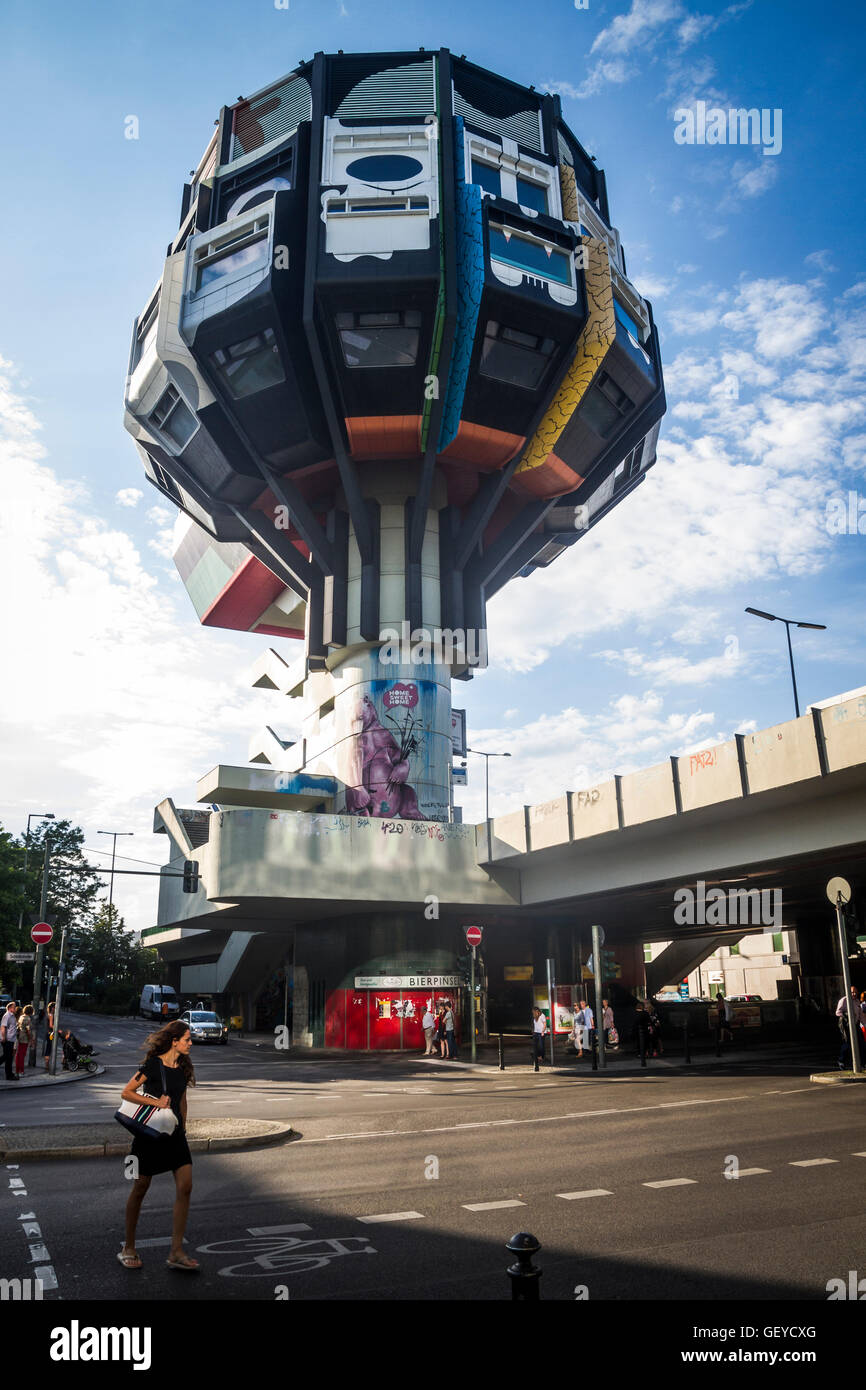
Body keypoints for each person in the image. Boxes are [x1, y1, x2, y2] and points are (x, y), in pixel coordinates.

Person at [118, 1020, 199, 1272]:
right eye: (187, 1039)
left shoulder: (183, 1067)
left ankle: (176, 1251)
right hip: (151, 1135)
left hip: (175, 1134)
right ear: (174, 1041)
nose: (190, 1043)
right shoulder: (153, 1065)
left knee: (186, 1186)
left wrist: (184, 1128)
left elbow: (183, 1100)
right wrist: (154, 1103)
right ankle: (128, 1247)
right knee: (141, 1187)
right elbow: (127, 1092)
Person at [836, 987, 866, 1070]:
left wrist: (864, 1024)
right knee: (848, 1042)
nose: (854, 994)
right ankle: (841, 1060)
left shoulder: (857, 1002)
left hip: (855, 1024)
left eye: (856, 992)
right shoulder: (844, 1000)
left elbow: (861, 1016)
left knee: (861, 1042)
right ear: (849, 992)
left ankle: (863, 1063)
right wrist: (846, 1016)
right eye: (852, 992)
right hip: (845, 1024)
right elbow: (838, 1012)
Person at [1, 1000, 18, 1081]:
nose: (15, 1008)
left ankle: (10, 1074)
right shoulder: (7, 1016)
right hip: (7, 1040)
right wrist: (4, 1037)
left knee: (8, 1057)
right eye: (14, 1007)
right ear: (11, 1008)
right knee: (8, 1058)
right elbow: (3, 1027)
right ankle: (9, 1076)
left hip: (11, 1040)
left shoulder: (12, 1016)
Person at [16, 1005, 34, 1078]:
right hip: (24, 1038)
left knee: (18, 1054)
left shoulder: (21, 1017)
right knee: (22, 1055)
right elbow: (28, 1031)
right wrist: (31, 1040)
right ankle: (21, 1071)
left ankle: (17, 1070)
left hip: (19, 1037)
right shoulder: (28, 1019)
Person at [43, 1000, 55, 1071]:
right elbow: (51, 1025)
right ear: (52, 1008)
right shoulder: (51, 1015)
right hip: (50, 1033)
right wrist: (57, 1029)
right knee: (49, 1048)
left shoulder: (48, 1014)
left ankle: (47, 1064)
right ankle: (47, 1065)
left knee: (49, 1047)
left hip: (48, 1033)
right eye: (55, 1007)